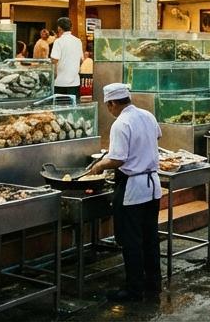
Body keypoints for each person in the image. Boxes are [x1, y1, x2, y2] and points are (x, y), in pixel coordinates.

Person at [85, 83, 163, 301]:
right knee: (150, 237)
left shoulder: (121, 123)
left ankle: (134, 289)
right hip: (152, 186)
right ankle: (153, 283)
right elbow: (157, 137)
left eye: (107, 105)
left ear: (111, 103)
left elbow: (118, 159)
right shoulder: (147, 115)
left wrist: (99, 166)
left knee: (132, 241)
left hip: (133, 188)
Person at [50, 17, 82, 99]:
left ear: (59, 28)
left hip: (60, 82)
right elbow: (81, 60)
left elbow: (54, 60)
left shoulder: (58, 41)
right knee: (73, 110)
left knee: (60, 109)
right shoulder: (78, 41)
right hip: (75, 82)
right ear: (71, 28)